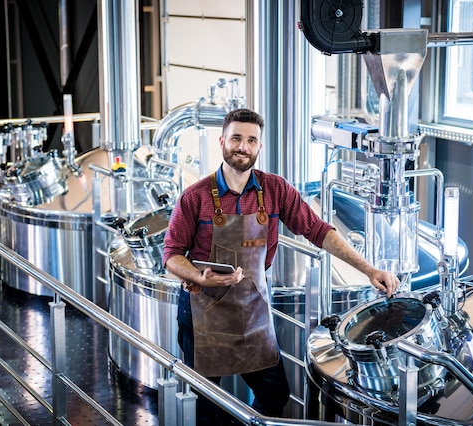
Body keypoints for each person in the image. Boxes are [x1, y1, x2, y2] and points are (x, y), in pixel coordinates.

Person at [162, 108, 399, 424]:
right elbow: (171, 254)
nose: (243, 146)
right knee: (206, 404)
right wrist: (197, 276)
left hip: (252, 312)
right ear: (222, 141)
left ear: (259, 147)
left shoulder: (275, 190)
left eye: (251, 140)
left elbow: (318, 230)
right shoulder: (195, 197)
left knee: (274, 394)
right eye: (236, 138)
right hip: (203, 312)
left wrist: (369, 270)